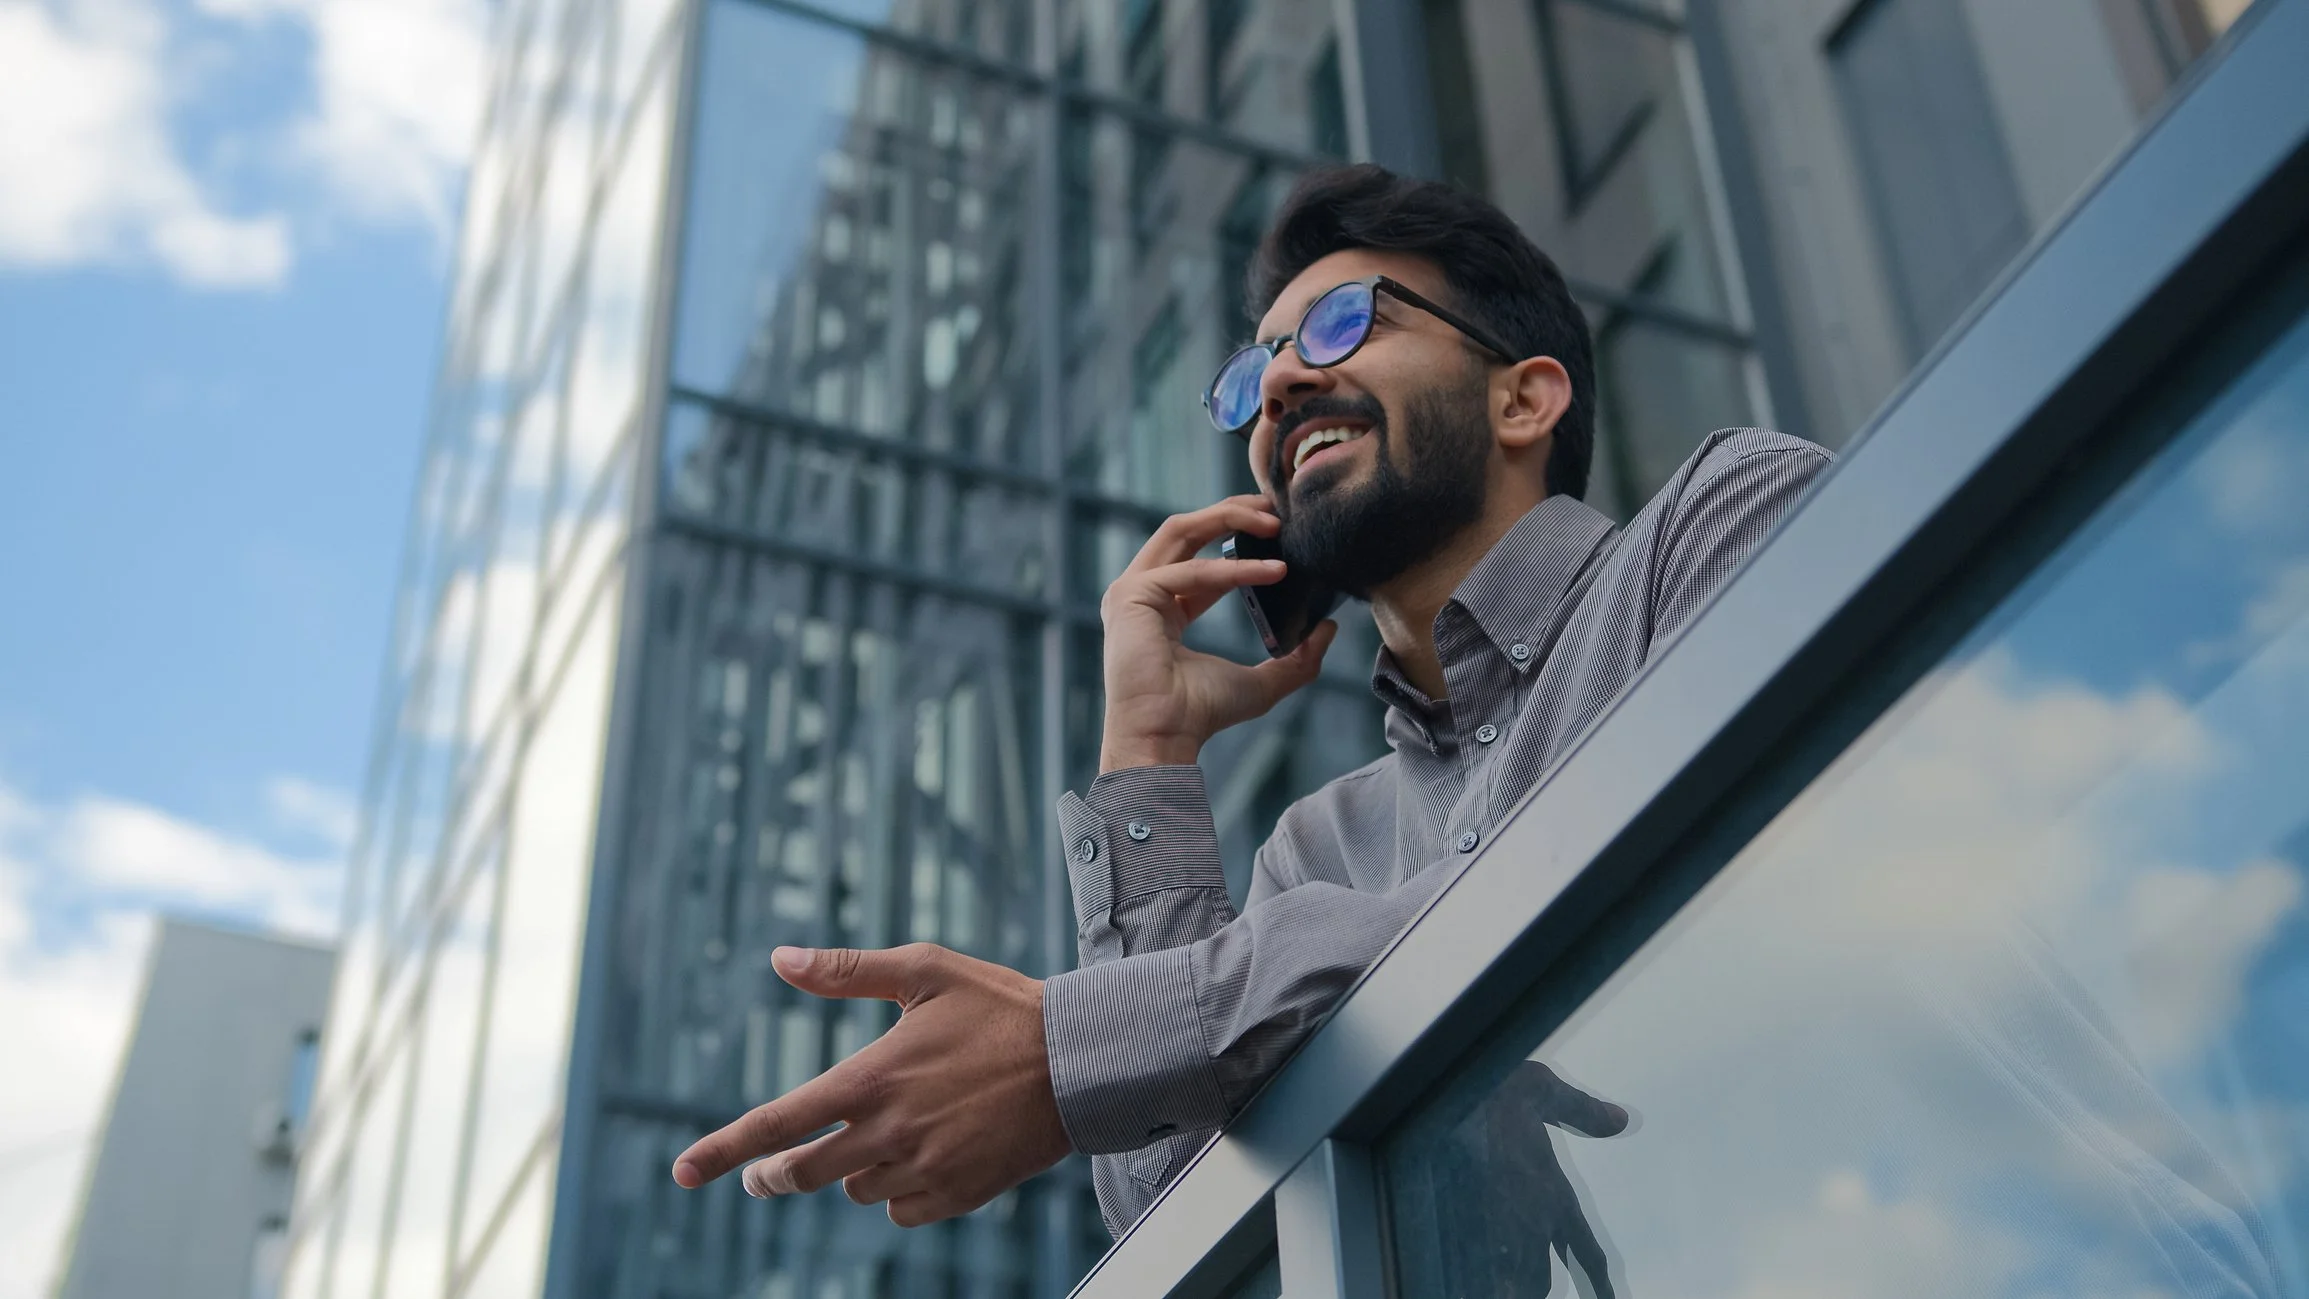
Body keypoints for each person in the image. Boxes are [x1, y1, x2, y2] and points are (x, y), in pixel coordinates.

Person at [668, 164, 1833, 1263]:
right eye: (1250, 374)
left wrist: (1070, 1039)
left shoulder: (1722, 516)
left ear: (1522, 398)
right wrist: (1147, 755)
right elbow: (1185, 1216)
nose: (1273, 386)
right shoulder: (1323, 851)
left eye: (1341, 327)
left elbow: (1664, 862)